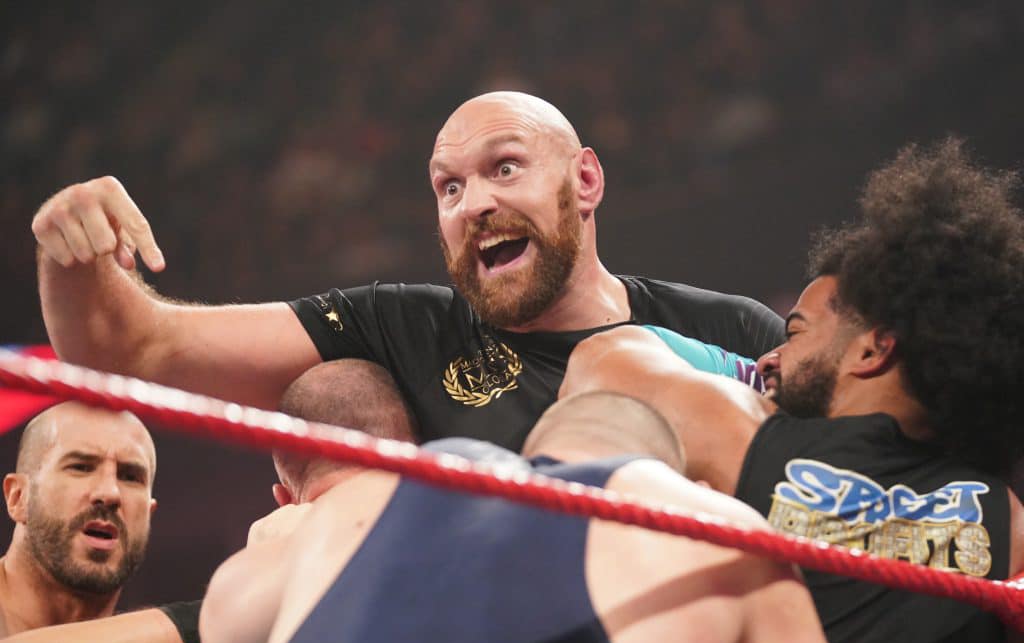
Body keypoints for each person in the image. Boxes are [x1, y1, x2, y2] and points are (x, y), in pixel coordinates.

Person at [559, 139, 1024, 643]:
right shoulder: (1009, 521)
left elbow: (601, 360)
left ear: (871, 350)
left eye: (796, 332)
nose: (769, 358)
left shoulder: (748, 440)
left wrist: (731, 376)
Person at [199, 359, 906, 643]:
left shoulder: (365, 498)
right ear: (683, 476)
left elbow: (222, 633)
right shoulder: (705, 525)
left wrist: (299, 544)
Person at [31, 91, 780, 451]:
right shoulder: (408, 329)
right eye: (448, 187)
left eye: (505, 167)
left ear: (584, 181)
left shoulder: (728, 331)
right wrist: (71, 252)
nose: (473, 204)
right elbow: (131, 347)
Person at [0, 401, 225, 643]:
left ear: (149, 515)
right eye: (80, 466)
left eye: (131, 476)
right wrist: (231, 608)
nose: (109, 493)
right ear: (17, 497)